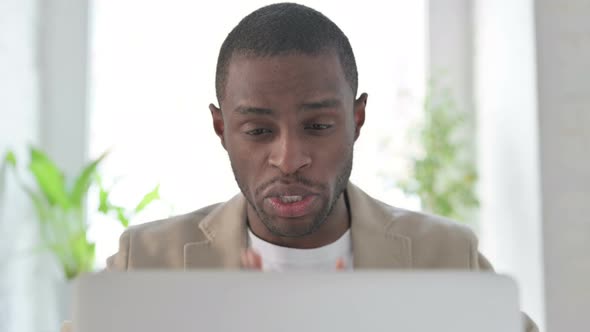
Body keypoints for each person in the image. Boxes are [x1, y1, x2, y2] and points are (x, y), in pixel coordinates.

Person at [62, 3, 538, 332]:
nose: (289, 160)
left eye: (317, 125)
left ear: (356, 120)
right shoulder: (145, 263)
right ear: (221, 129)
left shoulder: (448, 257)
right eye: (258, 131)